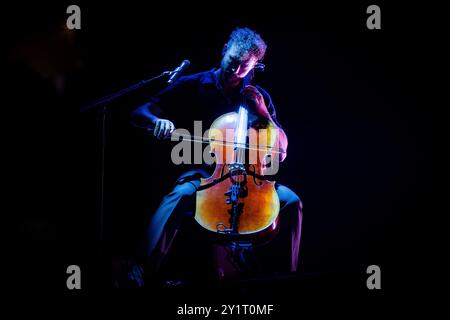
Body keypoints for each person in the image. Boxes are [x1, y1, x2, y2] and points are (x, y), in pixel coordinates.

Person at [131, 27, 303, 285]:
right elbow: (140, 111)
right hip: (204, 173)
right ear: (224, 50)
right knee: (180, 195)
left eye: (244, 67)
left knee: (291, 202)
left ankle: (286, 280)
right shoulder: (193, 84)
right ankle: (142, 271)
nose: (235, 71)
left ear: (255, 66)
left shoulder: (258, 98)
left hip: (250, 177)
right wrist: (157, 121)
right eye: (233, 62)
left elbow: (281, 150)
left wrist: (263, 112)